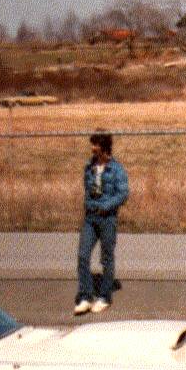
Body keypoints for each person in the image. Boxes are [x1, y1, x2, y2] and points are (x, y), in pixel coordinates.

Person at [74, 131, 129, 315]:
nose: (92, 148)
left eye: (95, 144)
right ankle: (85, 296)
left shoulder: (117, 170)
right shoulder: (89, 167)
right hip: (90, 217)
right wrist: (89, 205)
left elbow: (122, 194)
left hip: (107, 218)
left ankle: (105, 297)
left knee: (106, 258)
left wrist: (105, 207)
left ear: (104, 147)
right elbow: (87, 189)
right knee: (83, 255)